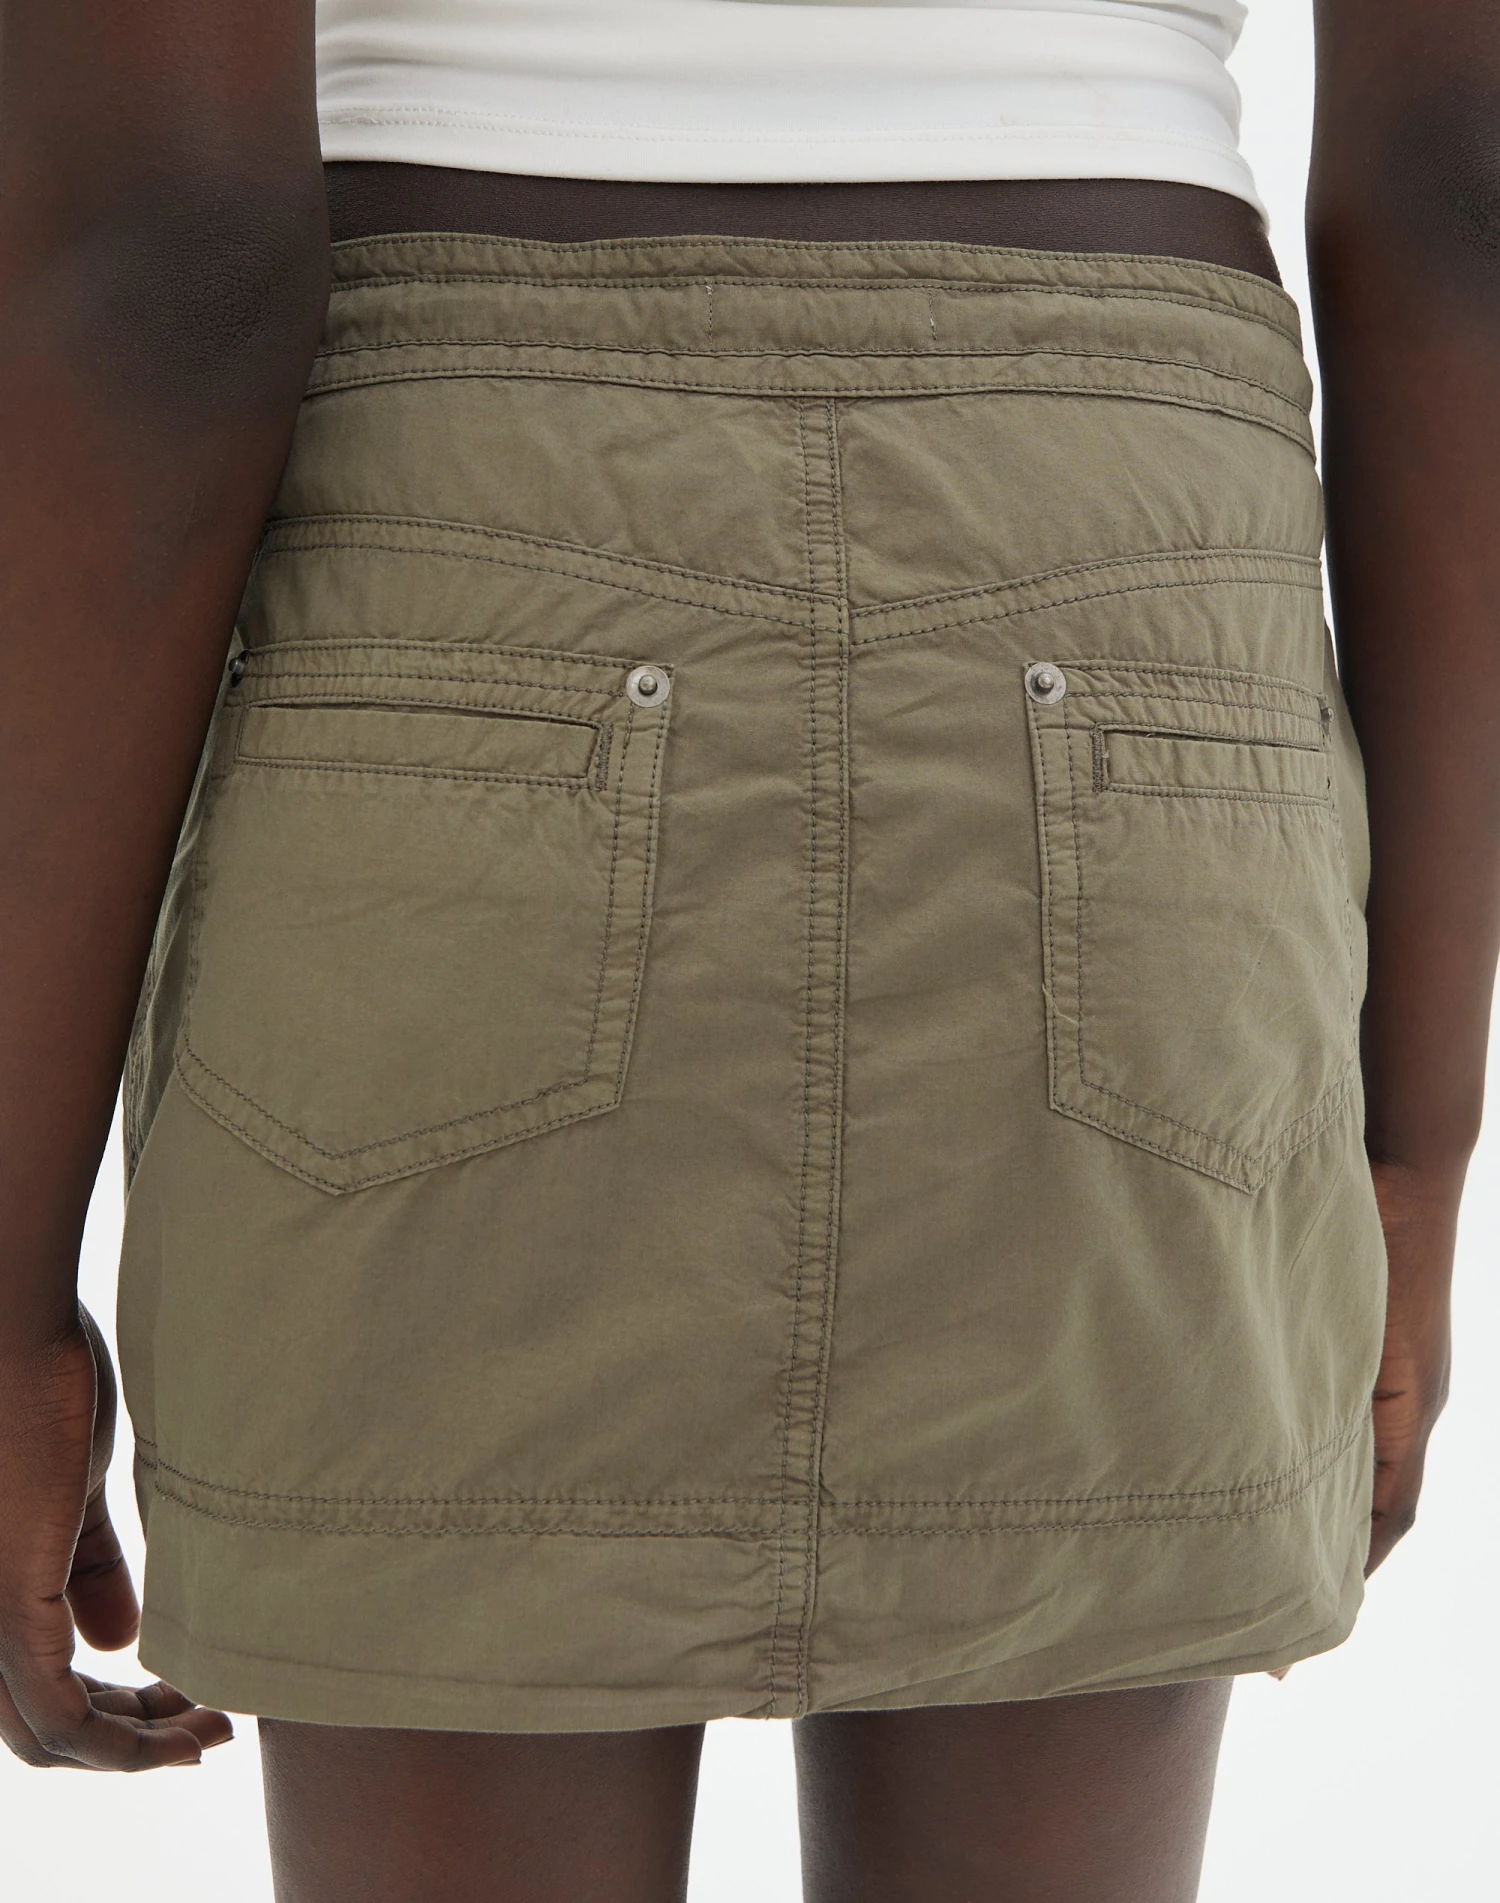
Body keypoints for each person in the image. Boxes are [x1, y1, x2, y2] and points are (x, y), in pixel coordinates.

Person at [0, 2, 1493, 1897]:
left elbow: (169, 248)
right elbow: (1463, 187)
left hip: (453, 565)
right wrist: (1416, 1139)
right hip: (1133, 584)